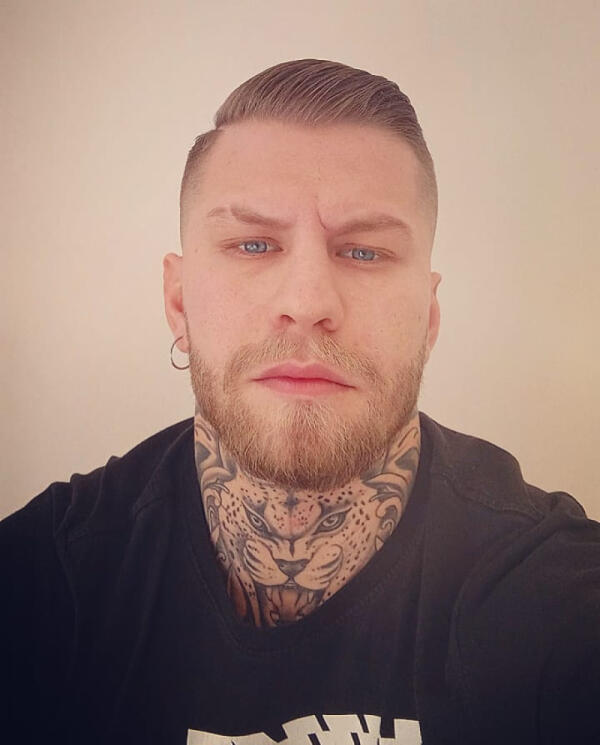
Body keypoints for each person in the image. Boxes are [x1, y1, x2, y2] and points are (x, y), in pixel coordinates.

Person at [1, 58, 599, 745]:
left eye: (365, 252)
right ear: (179, 302)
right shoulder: (45, 586)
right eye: (253, 244)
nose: (308, 301)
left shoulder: (551, 599)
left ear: (428, 319)